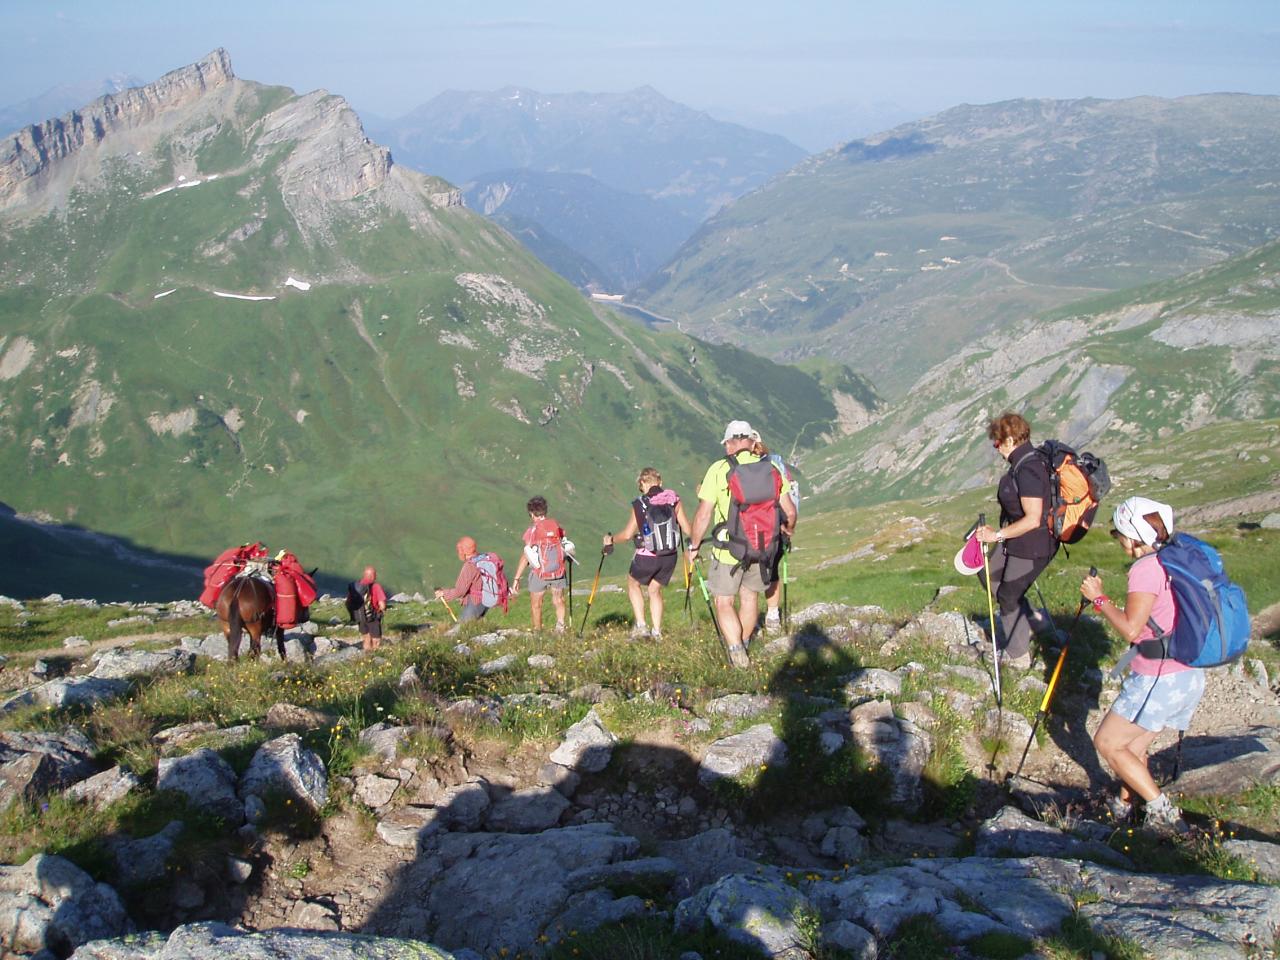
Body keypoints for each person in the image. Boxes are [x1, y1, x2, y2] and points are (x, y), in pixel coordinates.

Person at [1080, 497, 1202, 835]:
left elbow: (1131, 628)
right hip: (1186, 671)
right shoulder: (1175, 559)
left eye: (1119, 533)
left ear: (1133, 535)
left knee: (1107, 743)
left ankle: (1164, 814)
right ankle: (1124, 808)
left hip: (1158, 678)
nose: (1118, 540)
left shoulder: (1146, 569)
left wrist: (1099, 599)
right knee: (1133, 747)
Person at [688, 420, 796, 668]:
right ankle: (745, 643)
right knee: (750, 598)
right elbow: (789, 511)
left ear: (729, 444)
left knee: (724, 601)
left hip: (728, 549)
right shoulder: (772, 469)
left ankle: (736, 650)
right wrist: (787, 532)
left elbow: (704, 513)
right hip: (762, 547)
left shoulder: (718, 469)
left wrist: (694, 546)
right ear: (751, 441)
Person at [973, 412, 1058, 669]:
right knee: (988, 572)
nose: (996, 448)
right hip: (1017, 541)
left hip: (1033, 547)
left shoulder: (1028, 469)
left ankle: (1017, 655)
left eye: (997, 443)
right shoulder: (1024, 463)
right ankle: (1033, 620)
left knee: (1009, 596)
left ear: (1010, 440)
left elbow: (1033, 519)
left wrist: (996, 535)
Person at [603, 467, 693, 640]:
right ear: (660, 482)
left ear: (643, 483)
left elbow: (628, 534)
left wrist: (611, 539)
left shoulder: (641, 503)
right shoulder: (674, 500)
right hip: (670, 557)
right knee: (654, 590)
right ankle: (657, 632)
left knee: (632, 583)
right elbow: (688, 529)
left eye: (641, 486)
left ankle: (642, 626)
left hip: (647, 556)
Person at [749, 432, 799, 635]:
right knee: (773, 572)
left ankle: (749, 624)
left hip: (748, 531)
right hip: (775, 529)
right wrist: (788, 529)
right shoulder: (775, 466)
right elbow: (790, 509)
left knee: (749, 577)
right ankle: (772, 617)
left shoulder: (738, 468)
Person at [510, 496, 570, 633]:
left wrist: (517, 578)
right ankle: (560, 626)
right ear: (545, 511)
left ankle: (538, 632)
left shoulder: (532, 531)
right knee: (558, 599)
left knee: (536, 604)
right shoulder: (556, 527)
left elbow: (526, 555)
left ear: (531, 514)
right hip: (558, 572)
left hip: (540, 574)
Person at [435, 536, 507, 624]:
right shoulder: (485, 557)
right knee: (476, 624)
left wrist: (444, 593)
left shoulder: (470, 566)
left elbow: (460, 591)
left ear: (463, 551)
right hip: (487, 598)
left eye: (459, 550)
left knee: (461, 628)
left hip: (476, 602)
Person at [349, 565, 388, 652]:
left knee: (366, 638)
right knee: (376, 640)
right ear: (372, 576)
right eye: (375, 574)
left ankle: (367, 656)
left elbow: (348, 602)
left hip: (360, 617)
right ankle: (375, 657)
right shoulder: (376, 586)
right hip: (373, 617)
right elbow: (382, 605)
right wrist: (382, 610)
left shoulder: (355, 586)